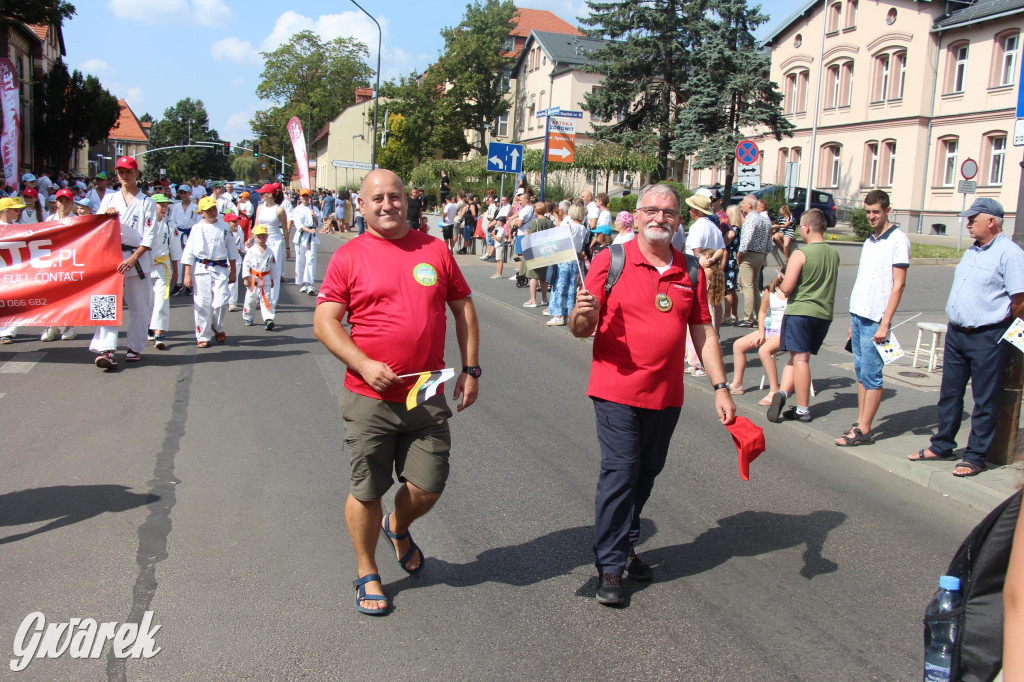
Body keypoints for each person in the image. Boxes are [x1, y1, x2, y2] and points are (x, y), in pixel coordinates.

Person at [313, 169, 479, 616]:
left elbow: (462, 305)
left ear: (408, 201)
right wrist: (364, 364)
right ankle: (368, 571)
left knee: (428, 486)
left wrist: (470, 368)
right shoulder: (349, 257)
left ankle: (397, 525)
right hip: (368, 399)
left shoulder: (434, 249)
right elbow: (325, 321)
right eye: (378, 198)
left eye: (396, 196)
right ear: (362, 206)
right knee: (367, 489)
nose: (388, 205)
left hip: (426, 394)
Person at [568, 182, 735, 606]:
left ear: (679, 221)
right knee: (621, 470)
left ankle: (626, 545)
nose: (660, 218)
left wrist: (720, 387)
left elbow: (703, 330)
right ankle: (609, 566)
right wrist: (580, 316)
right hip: (616, 389)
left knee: (646, 473)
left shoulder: (690, 270)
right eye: (652, 210)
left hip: (666, 395)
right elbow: (581, 328)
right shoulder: (612, 260)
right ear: (637, 216)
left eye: (669, 213)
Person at [908, 198, 1024, 477]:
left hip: (987, 335)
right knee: (949, 392)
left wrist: (1006, 332)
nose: (968, 224)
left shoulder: (1009, 253)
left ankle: (975, 456)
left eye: (973, 219)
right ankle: (942, 445)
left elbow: (1019, 301)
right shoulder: (973, 250)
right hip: (957, 333)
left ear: (992, 221)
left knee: (984, 398)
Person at [835, 189, 909, 447]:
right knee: (861, 372)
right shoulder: (870, 241)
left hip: (876, 319)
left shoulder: (898, 240)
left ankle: (865, 429)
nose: (871, 217)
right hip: (858, 315)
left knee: (872, 374)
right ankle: (860, 421)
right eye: (867, 212)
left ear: (887, 210)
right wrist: (850, 321)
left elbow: (898, 285)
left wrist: (885, 323)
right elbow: (862, 281)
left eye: (876, 212)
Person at [767, 208, 839, 423]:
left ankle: (803, 409)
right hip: (823, 314)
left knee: (800, 358)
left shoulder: (801, 253)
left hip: (800, 311)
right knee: (796, 357)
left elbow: (787, 288)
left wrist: (781, 285)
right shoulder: (833, 253)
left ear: (807, 228)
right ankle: (783, 393)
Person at [90, 156, 157, 369]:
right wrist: (106, 217)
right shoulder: (109, 199)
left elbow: (149, 235)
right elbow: (96, 230)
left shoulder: (147, 202)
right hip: (111, 259)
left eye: (128, 171)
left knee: (139, 306)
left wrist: (133, 258)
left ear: (136, 173)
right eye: (120, 172)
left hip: (136, 259)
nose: (124, 175)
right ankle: (106, 350)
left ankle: (135, 346)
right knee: (107, 304)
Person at [181, 196, 238, 348]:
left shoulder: (225, 227)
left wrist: (233, 271)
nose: (212, 212)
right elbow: (189, 252)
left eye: (213, 208)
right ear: (201, 213)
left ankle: (218, 326)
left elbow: (232, 250)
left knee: (221, 301)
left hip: (220, 268)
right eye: (208, 210)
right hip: (201, 268)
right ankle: (202, 335)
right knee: (202, 303)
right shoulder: (196, 229)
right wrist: (187, 273)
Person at [729, 269, 788, 405]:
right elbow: (762, 312)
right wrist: (761, 332)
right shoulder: (771, 289)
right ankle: (737, 384)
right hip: (770, 329)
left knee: (764, 351)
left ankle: (774, 391)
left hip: (785, 331)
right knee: (738, 345)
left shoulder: (796, 292)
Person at [147, 193, 181, 350]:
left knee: (162, 300)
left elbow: (175, 249)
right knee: (147, 301)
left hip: (163, 266)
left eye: (166, 206)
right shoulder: (144, 223)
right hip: (145, 266)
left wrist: (176, 271)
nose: (164, 208)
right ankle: (149, 327)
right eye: (161, 205)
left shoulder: (170, 225)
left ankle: (159, 334)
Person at [547, 203, 587, 327]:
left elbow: (559, 241)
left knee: (560, 285)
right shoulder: (583, 228)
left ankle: (559, 314)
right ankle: (569, 312)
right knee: (571, 287)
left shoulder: (569, 225)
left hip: (565, 257)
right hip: (575, 259)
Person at [736, 195, 773, 327]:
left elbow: (746, 240)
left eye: (743, 203)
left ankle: (748, 318)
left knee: (748, 287)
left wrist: (739, 255)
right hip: (760, 255)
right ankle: (758, 315)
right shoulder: (764, 220)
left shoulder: (751, 220)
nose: (741, 205)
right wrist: (764, 255)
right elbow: (770, 242)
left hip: (749, 255)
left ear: (750, 205)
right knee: (756, 286)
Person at [254, 183, 290, 310]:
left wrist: (287, 247)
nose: (260, 195)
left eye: (262, 193)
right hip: (260, 242)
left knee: (274, 272)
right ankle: (261, 297)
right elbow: (256, 225)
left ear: (270, 194)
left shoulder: (279, 210)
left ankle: (272, 302)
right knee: (259, 271)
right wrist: (249, 240)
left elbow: (285, 230)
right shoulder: (259, 207)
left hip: (275, 242)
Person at [0, 196, 27, 343]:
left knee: (12, 300)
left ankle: (7, 332)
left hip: (13, 271)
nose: (18, 212)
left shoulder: (19, 227)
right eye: (15, 210)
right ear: (5, 211)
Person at [242, 225, 279, 330]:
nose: (261, 239)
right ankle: (248, 316)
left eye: (263, 236)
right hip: (253, 278)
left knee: (266, 299)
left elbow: (273, 265)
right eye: (259, 237)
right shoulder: (251, 251)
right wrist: (245, 277)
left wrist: (272, 278)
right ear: (254, 237)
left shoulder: (270, 251)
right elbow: (246, 264)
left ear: (267, 237)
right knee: (250, 299)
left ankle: (268, 319)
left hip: (265, 277)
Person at [521, 201, 550, 308]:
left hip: (535, 252)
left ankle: (533, 300)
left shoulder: (535, 222)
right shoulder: (549, 222)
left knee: (533, 276)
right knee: (543, 277)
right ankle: (544, 298)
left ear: (536, 211)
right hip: (546, 252)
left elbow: (531, 237)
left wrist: (526, 234)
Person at [169, 184, 197, 295]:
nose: (183, 195)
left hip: (191, 234)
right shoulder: (176, 206)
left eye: (185, 192)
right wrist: (175, 232)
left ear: (190, 193)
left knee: (190, 259)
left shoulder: (195, 207)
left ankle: (190, 284)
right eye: (181, 193)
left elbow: (198, 222)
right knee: (179, 259)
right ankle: (178, 284)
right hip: (179, 234)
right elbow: (172, 221)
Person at [292, 188, 320, 295]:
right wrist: (308, 230)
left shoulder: (315, 209)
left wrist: (315, 217)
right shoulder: (297, 209)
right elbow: (298, 224)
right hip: (301, 237)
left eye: (307, 196)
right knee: (301, 261)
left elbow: (319, 224)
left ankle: (310, 283)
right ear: (300, 197)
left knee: (311, 260)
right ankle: (303, 282)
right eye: (303, 196)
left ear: (310, 197)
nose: (305, 198)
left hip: (311, 238)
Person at [722, 204, 742, 324]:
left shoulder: (733, 229)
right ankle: (734, 313)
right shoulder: (738, 228)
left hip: (729, 259)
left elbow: (727, 241)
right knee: (732, 289)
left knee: (728, 288)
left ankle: (727, 315)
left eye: (727, 213)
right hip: (733, 259)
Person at [225, 214, 247, 311]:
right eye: (233, 222)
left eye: (237, 221)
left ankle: (232, 302)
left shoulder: (240, 232)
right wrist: (228, 262)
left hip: (237, 259)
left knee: (234, 281)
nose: (236, 223)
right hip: (224, 260)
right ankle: (224, 299)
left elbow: (242, 247)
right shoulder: (224, 233)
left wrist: (252, 250)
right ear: (227, 223)